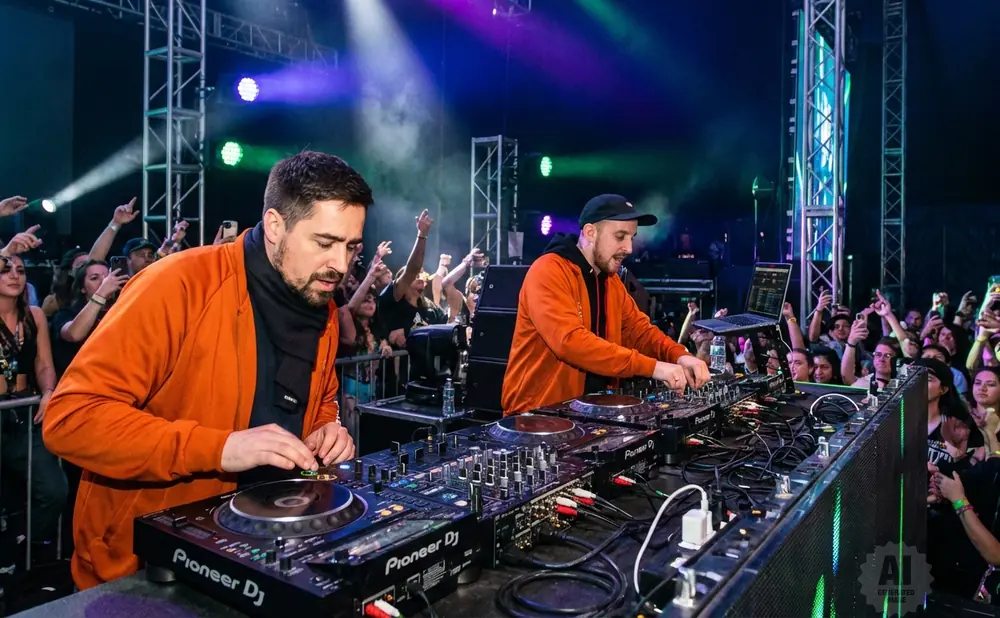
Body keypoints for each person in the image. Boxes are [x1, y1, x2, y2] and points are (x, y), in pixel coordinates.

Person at [43, 151, 367, 589]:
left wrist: (328, 428)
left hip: (259, 553)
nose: (341, 265)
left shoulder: (320, 305)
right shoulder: (178, 284)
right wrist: (217, 448)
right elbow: (71, 419)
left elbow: (320, 399)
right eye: (324, 243)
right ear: (275, 226)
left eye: (351, 247)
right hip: (146, 568)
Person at [502, 194, 710, 415]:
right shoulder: (548, 271)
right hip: (536, 419)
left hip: (590, 416)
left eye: (632, 237)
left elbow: (640, 331)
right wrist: (654, 368)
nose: (629, 248)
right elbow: (571, 342)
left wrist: (679, 355)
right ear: (591, 232)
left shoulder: (610, 281)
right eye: (620, 236)